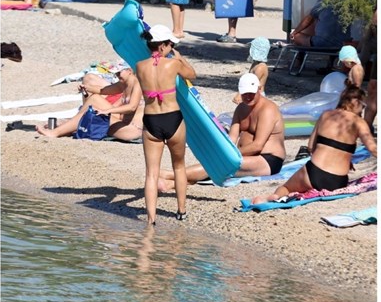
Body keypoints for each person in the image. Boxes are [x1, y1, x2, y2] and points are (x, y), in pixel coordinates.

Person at [252, 84, 377, 204]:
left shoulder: (326, 115)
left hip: (313, 173)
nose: (362, 109)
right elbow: (373, 148)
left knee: (286, 188)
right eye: (363, 105)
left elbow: (311, 146)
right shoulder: (359, 122)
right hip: (336, 181)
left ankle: (276, 197)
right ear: (355, 102)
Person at [159, 74, 286, 191]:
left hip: (268, 160)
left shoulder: (267, 110)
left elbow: (258, 145)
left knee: (219, 164)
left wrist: (227, 154)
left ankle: (169, 175)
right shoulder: (241, 109)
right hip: (244, 157)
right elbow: (231, 139)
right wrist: (222, 151)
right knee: (216, 164)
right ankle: (172, 184)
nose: (248, 97)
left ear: (259, 89)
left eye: (251, 93)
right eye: (245, 93)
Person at [135, 24, 196, 224]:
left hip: (151, 120)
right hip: (173, 118)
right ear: (162, 46)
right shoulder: (173, 64)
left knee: (151, 173)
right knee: (179, 166)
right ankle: (181, 210)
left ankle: (151, 219)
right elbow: (192, 75)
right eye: (170, 44)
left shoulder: (140, 66)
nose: (172, 47)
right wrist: (178, 58)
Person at [35, 64, 144, 141]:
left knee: (95, 104)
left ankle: (57, 132)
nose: (117, 75)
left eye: (119, 72)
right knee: (95, 100)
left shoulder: (138, 84)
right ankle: (68, 127)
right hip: (122, 124)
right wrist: (87, 88)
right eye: (115, 73)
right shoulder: (124, 85)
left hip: (131, 130)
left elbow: (132, 107)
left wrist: (107, 110)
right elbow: (104, 90)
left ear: (130, 70)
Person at [232, 37, 270, 104]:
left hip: (258, 95)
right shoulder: (255, 64)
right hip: (250, 93)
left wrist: (239, 95)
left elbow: (250, 83)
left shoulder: (260, 67)